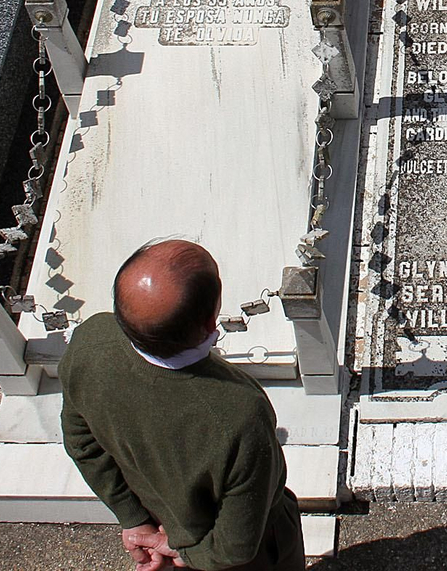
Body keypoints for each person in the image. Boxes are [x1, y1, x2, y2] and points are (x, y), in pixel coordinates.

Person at [59, 239, 305, 571]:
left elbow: (82, 443)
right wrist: (183, 553)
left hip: (162, 523)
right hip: (245, 551)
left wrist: (135, 520)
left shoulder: (90, 340)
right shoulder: (239, 412)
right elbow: (237, 545)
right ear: (209, 323)